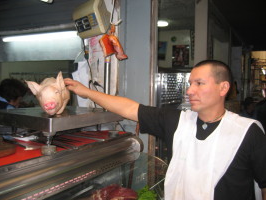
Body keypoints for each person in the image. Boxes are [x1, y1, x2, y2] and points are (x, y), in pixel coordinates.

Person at [64, 60, 266, 200]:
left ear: (223, 88)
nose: (189, 90)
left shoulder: (247, 132)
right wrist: (85, 92)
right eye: (189, 83)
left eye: (199, 83)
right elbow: (129, 108)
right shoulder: (178, 121)